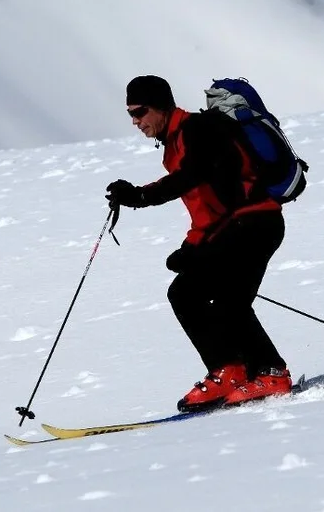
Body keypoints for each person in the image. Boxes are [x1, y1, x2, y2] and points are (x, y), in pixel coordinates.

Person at [104, 74, 292, 412]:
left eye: (140, 111)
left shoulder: (198, 130)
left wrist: (139, 196)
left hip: (256, 222)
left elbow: (190, 178)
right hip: (235, 226)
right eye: (130, 113)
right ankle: (230, 370)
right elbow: (204, 208)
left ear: (161, 106)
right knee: (185, 293)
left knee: (228, 301)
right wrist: (191, 248)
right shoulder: (175, 144)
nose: (135, 121)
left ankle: (271, 372)